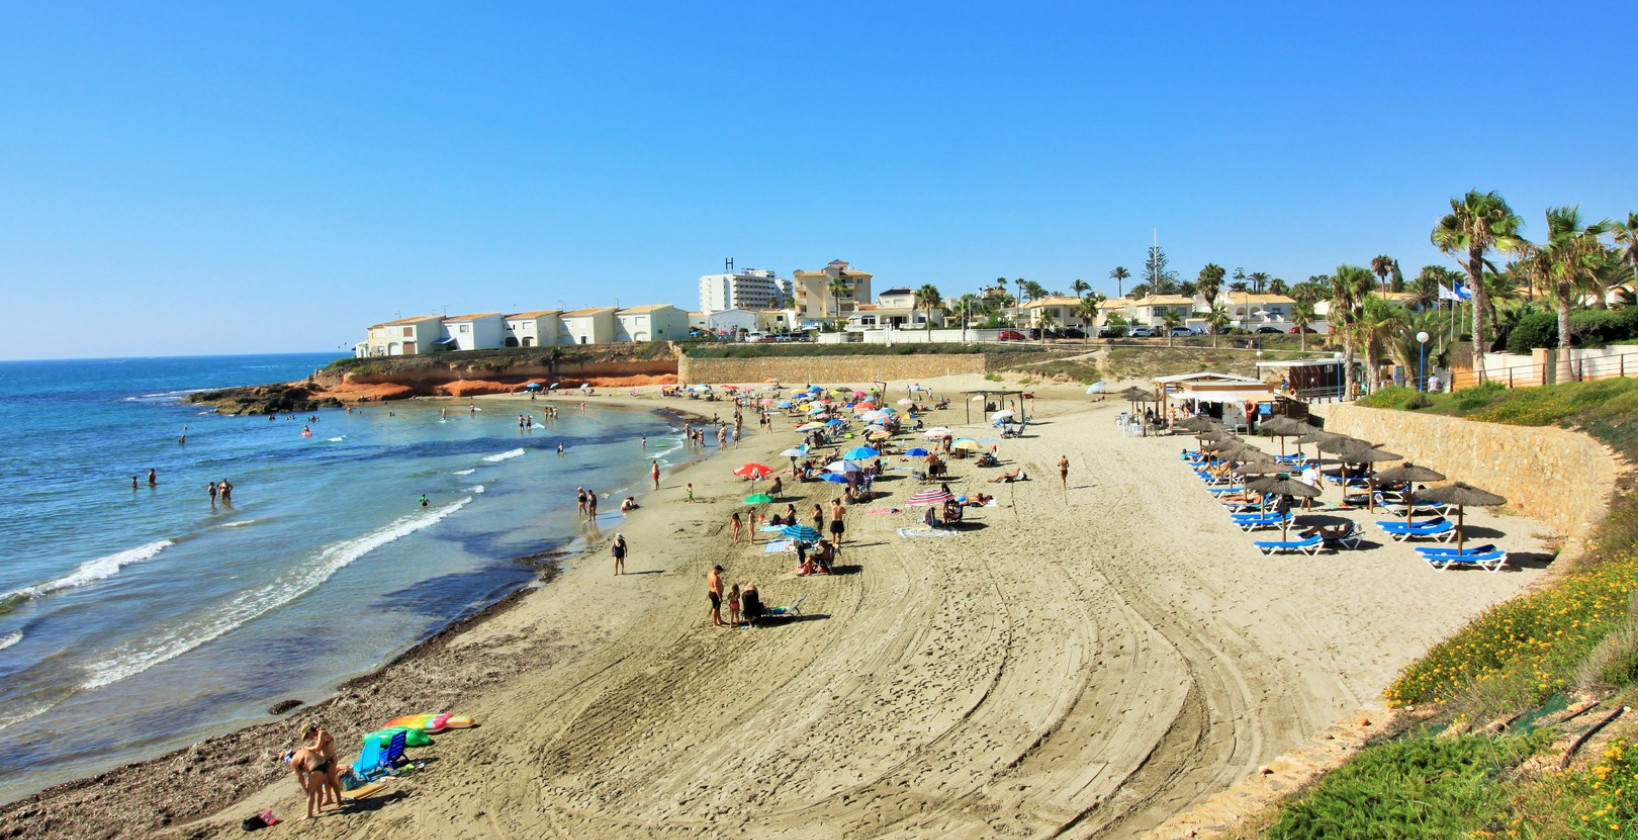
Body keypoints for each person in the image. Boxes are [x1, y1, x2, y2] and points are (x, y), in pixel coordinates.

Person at [299, 722, 343, 811]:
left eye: (307, 736)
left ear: (310, 732)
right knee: (326, 781)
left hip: (331, 760)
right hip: (326, 761)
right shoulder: (317, 737)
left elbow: (318, 747)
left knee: (332, 781)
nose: (308, 738)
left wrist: (306, 748)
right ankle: (329, 799)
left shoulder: (322, 734)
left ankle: (339, 801)